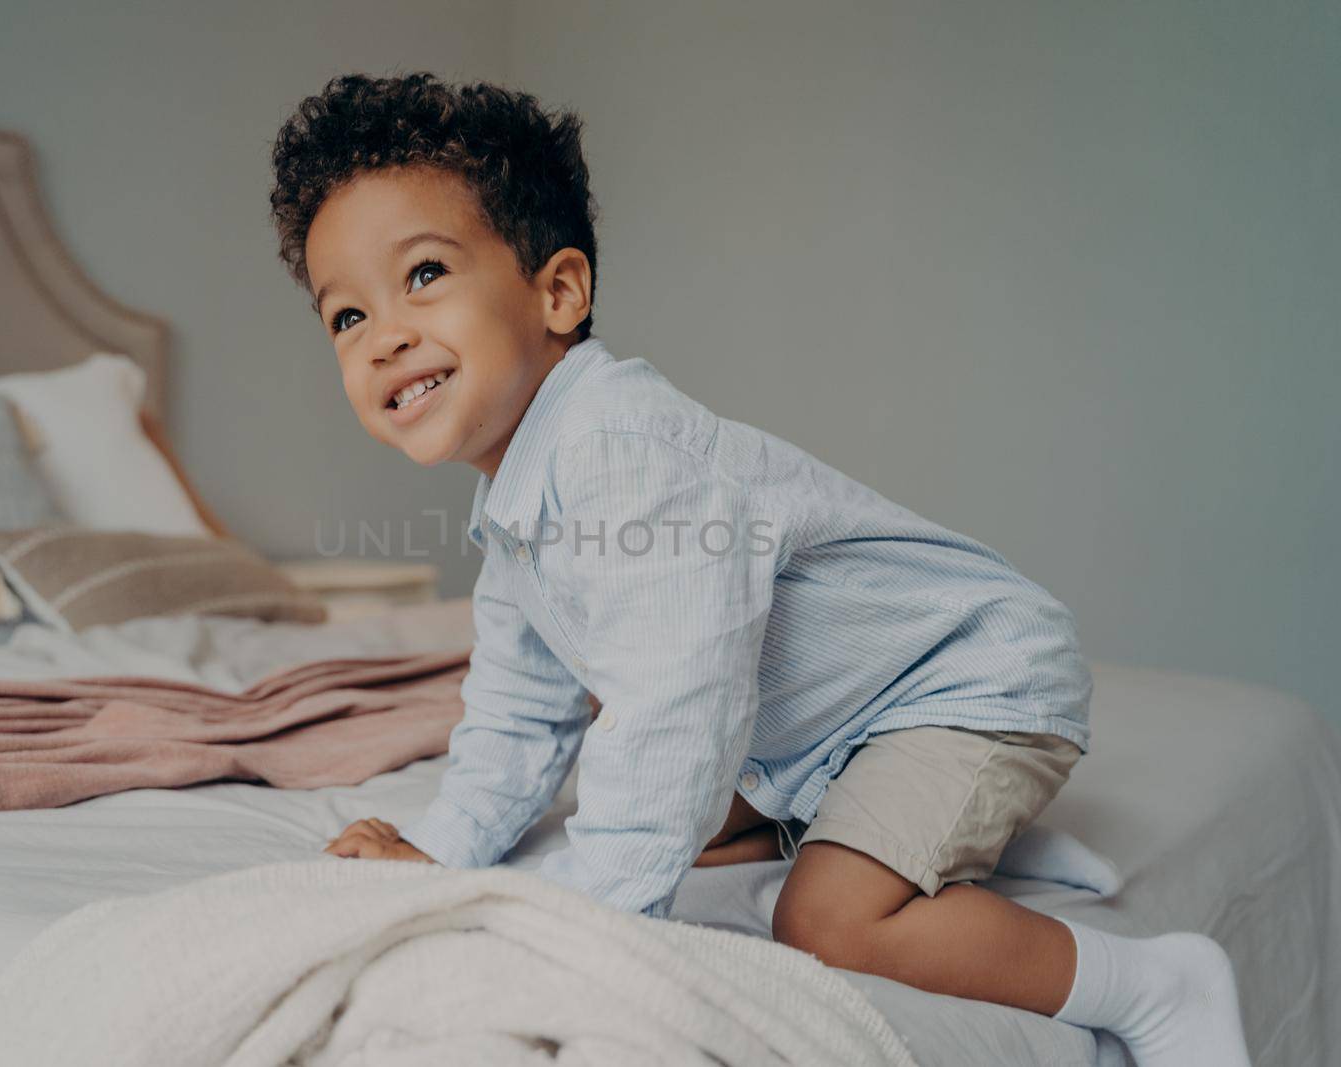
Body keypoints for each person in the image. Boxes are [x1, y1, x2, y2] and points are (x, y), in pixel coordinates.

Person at [269, 72, 1249, 1067]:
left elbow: (676, 704)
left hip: (966, 683)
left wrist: (586, 922)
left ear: (557, 291)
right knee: (641, 801)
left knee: (825, 917)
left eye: (424, 274)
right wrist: (443, 853)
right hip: (841, 725)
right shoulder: (518, 503)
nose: (385, 336)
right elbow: (520, 711)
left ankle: (1155, 982)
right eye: (345, 317)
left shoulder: (622, 454)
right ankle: (926, 830)